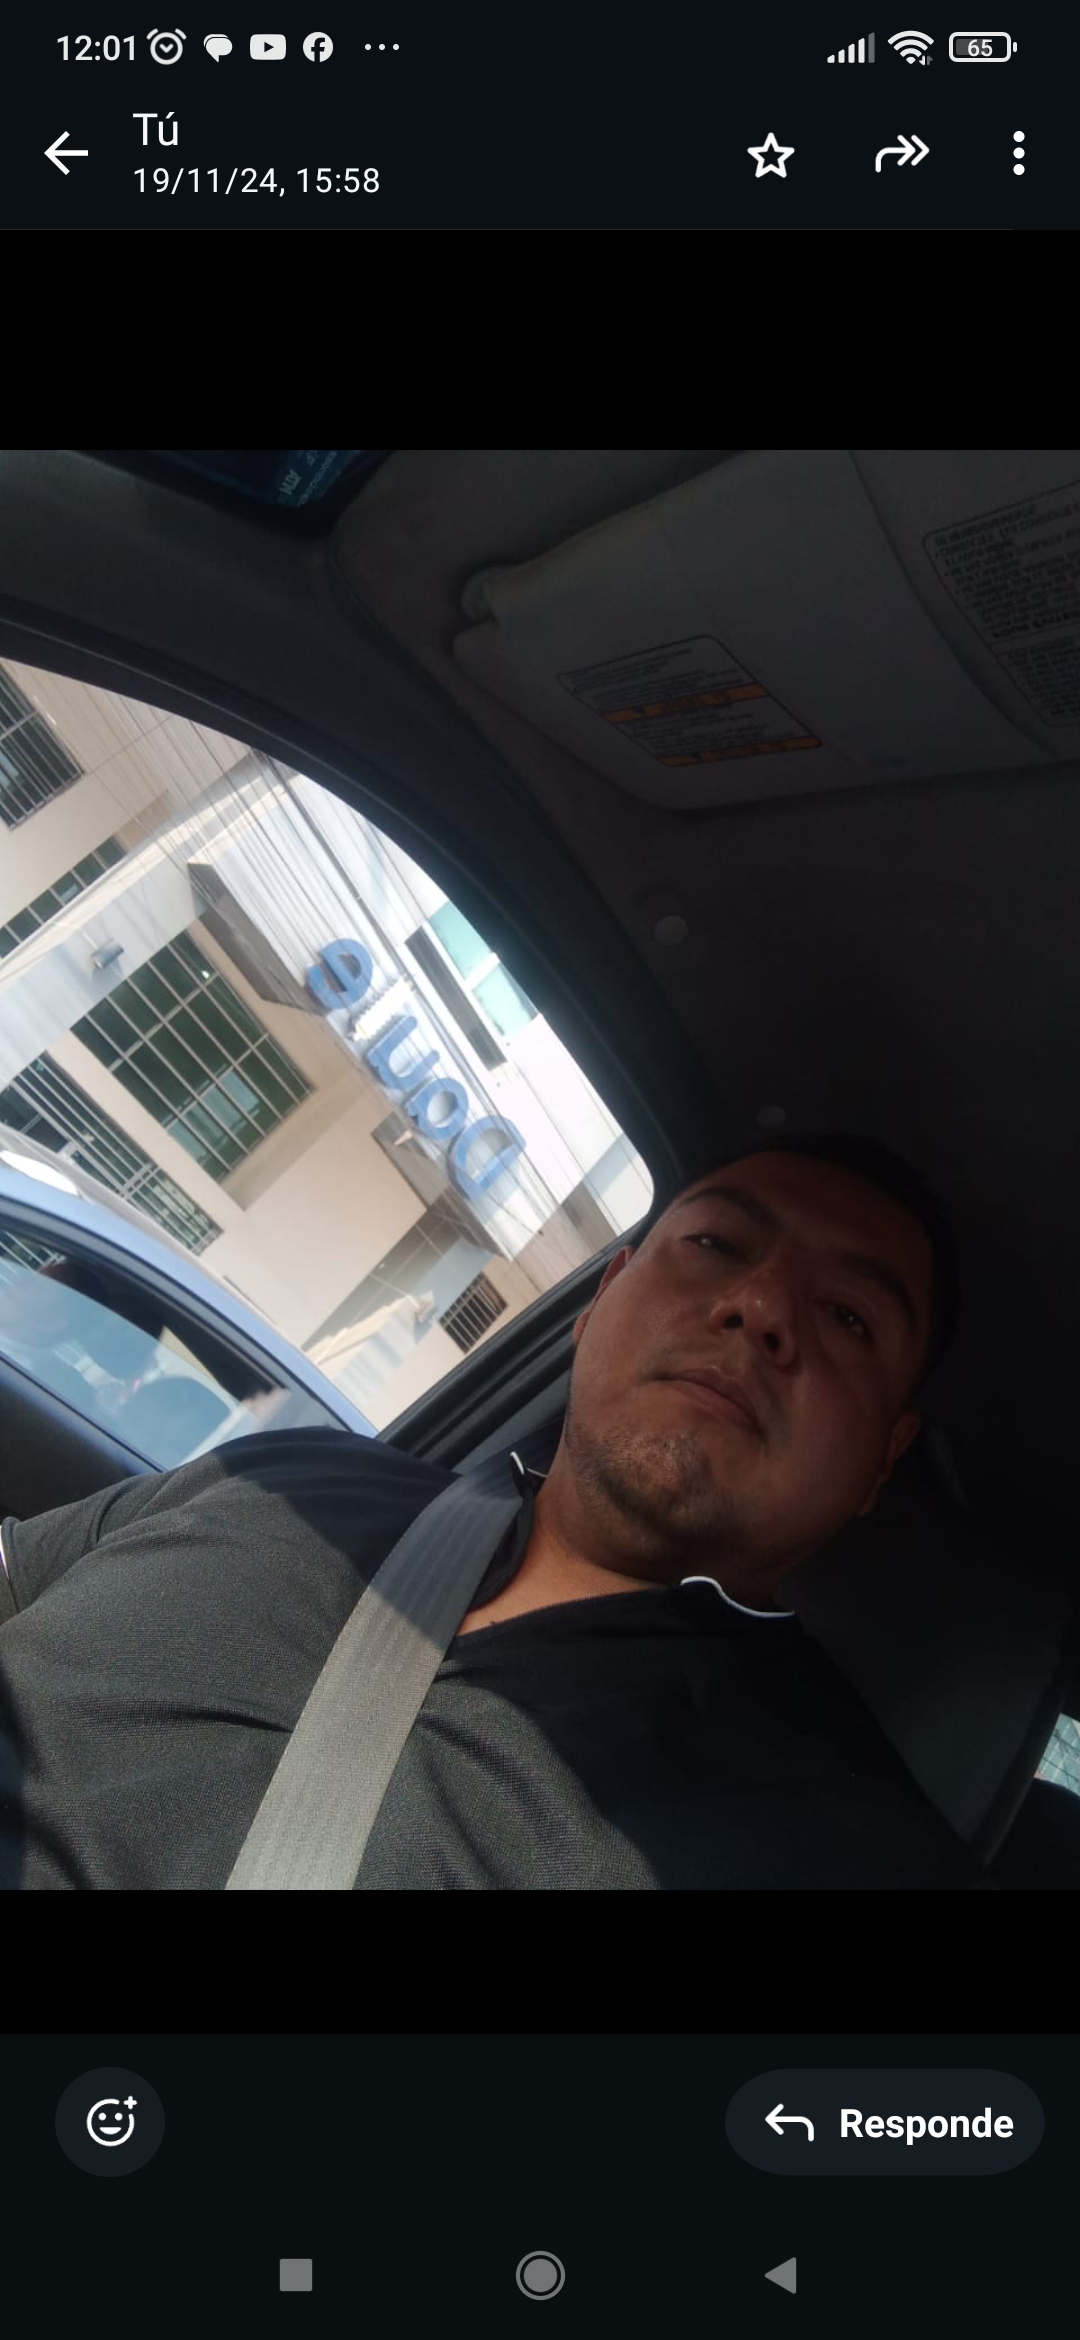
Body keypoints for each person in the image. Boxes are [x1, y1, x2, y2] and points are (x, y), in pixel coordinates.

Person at [0, 1130, 1003, 1890]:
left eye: (847, 1317)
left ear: (883, 1458)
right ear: (601, 1299)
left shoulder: (841, 1852)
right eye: (714, 1242)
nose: (763, 1307)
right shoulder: (292, 1478)